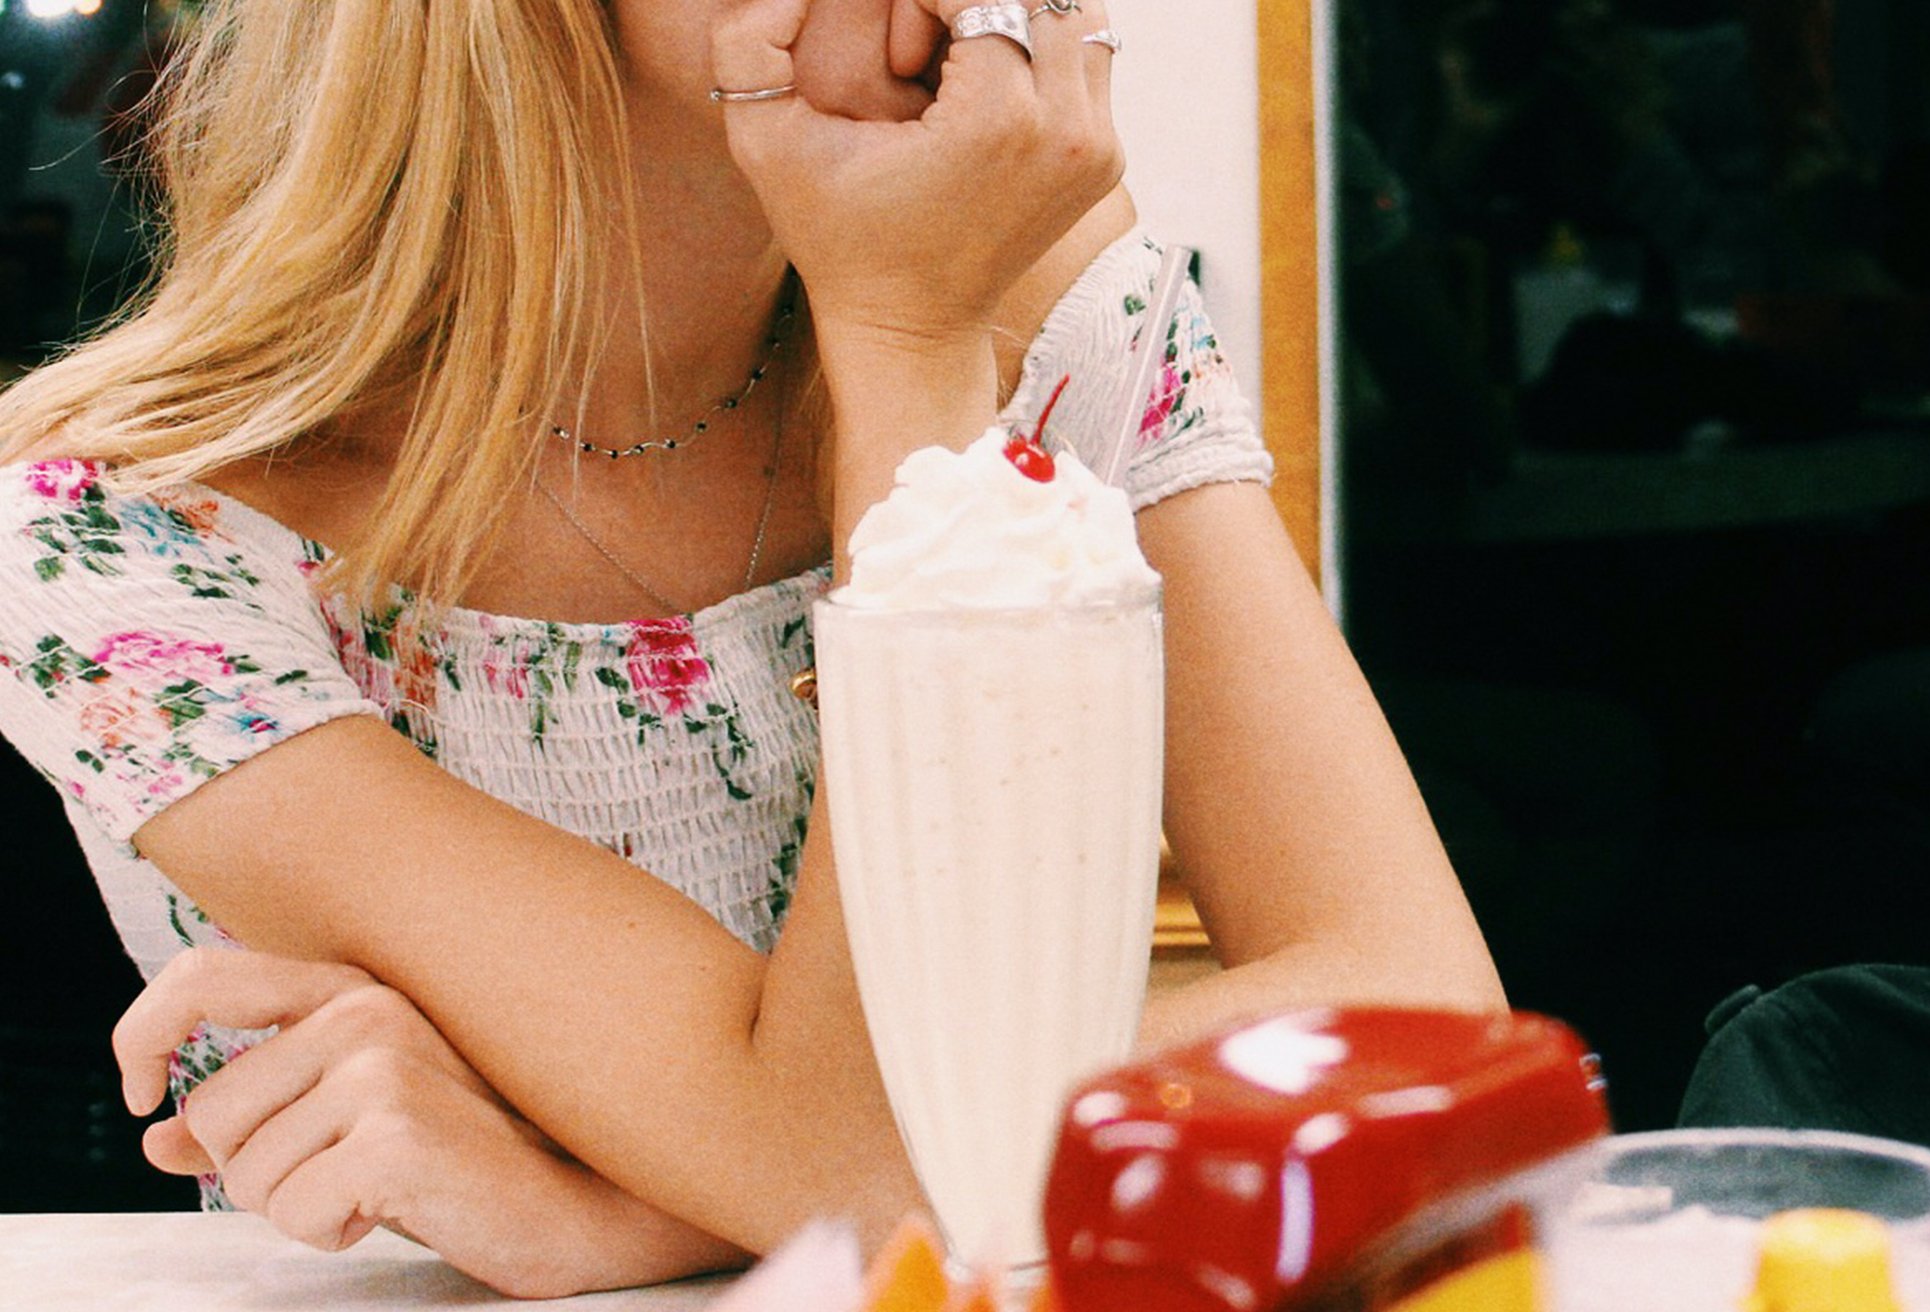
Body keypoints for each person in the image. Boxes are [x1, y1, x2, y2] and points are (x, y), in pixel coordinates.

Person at [0, 0, 1505, 1297]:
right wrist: (910, 338)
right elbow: (872, 1151)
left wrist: (621, 1205)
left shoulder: (1053, 303)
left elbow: (1426, 1022)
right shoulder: (114, 541)